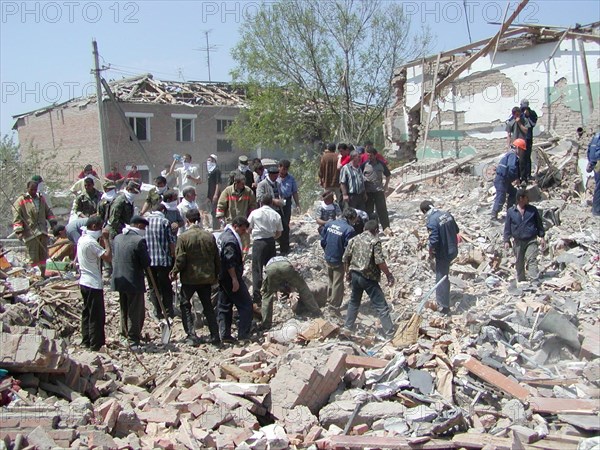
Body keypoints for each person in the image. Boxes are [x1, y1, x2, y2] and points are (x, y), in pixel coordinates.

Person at [170, 209, 221, 346]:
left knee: (185, 304)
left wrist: (174, 272)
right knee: (208, 306)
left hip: (189, 278)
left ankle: (191, 335)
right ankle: (215, 335)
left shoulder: (184, 237)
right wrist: (217, 274)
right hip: (206, 278)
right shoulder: (209, 236)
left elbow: (181, 259)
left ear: (187, 221)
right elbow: (217, 257)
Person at [342, 220, 395, 337]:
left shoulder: (354, 239)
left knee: (354, 302)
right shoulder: (374, 241)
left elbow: (345, 258)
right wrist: (388, 275)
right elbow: (380, 261)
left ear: (364, 229)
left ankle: (347, 327)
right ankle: (390, 333)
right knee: (381, 306)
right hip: (368, 278)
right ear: (376, 230)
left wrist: (347, 273)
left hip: (355, 275)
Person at [111, 215, 151, 350]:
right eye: (144, 227)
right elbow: (146, 262)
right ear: (139, 226)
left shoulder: (117, 238)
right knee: (136, 310)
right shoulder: (139, 240)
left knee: (124, 308)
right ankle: (133, 339)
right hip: (134, 281)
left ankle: (124, 333)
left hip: (119, 279)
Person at [77, 216, 112, 351]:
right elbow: (108, 256)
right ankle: (96, 344)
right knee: (96, 315)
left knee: (87, 313)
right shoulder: (90, 242)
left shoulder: (82, 239)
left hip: (84, 281)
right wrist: (107, 240)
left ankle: (86, 340)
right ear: (93, 227)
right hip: (93, 283)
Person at [216, 216, 253, 342]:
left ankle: (225, 334)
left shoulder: (223, 236)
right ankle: (243, 335)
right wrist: (234, 279)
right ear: (236, 226)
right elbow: (229, 261)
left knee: (225, 305)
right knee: (246, 304)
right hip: (230, 278)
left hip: (222, 276)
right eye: (242, 230)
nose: (243, 233)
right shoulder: (231, 240)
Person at [420, 200, 460, 314]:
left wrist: (431, 252)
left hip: (443, 252)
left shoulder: (431, 221)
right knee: (444, 274)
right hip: (453, 249)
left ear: (424, 211)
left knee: (441, 277)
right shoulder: (447, 214)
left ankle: (444, 307)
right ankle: (444, 299)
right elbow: (456, 230)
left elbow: (434, 241)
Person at [260, 256, 321, 329]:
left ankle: (266, 324)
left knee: (267, 296)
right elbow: (293, 280)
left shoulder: (269, 263)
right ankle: (316, 311)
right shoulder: (286, 260)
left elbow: (266, 287)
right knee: (303, 288)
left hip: (271, 269)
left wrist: (273, 291)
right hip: (286, 267)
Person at [12, 180, 57, 278]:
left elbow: (48, 212)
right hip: (31, 233)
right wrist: (19, 231)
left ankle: (42, 274)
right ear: (27, 189)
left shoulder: (41, 199)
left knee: (43, 255)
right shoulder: (21, 200)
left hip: (42, 232)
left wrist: (53, 223)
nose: (33, 191)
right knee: (33, 256)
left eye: (35, 189)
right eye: (31, 189)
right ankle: (34, 277)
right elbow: (17, 217)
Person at [503, 189, 546, 283]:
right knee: (519, 262)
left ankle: (534, 280)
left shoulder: (532, 210)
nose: (528, 199)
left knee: (532, 259)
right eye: (526, 197)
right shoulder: (511, 211)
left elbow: (539, 224)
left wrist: (542, 237)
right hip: (518, 241)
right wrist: (506, 240)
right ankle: (522, 281)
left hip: (531, 239)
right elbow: (507, 227)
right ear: (520, 198)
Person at [248, 193, 283, 304]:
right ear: (271, 203)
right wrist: (272, 237)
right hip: (270, 242)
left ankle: (257, 296)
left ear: (260, 202)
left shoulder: (254, 213)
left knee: (257, 269)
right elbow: (279, 232)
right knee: (271, 268)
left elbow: (248, 228)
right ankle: (272, 292)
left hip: (258, 242)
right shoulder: (275, 214)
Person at [320, 207, 357, 311]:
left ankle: (329, 300)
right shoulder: (349, 230)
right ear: (352, 218)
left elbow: (323, 241)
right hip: (338, 259)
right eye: (355, 219)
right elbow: (348, 250)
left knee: (331, 280)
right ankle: (334, 307)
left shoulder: (330, 224)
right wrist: (348, 265)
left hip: (328, 256)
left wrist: (327, 252)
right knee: (338, 283)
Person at [145, 203, 176, 322]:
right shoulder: (164, 222)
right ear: (163, 210)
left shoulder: (146, 220)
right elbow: (171, 242)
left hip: (149, 260)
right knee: (166, 286)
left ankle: (157, 311)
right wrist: (173, 257)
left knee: (153, 287)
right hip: (163, 260)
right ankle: (168, 311)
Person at [491, 139, 525, 222]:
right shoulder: (513, 155)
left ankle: (509, 212)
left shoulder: (510, 154)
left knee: (513, 192)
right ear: (517, 148)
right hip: (501, 180)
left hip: (504, 180)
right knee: (501, 197)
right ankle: (493, 217)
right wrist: (515, 178)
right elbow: (511, 168)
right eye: (521, 150)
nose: (522, 152)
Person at [362, 147, 391, 232]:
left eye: (371, 156)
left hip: (379, 191)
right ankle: (370, 229)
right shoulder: (364, 165)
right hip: (368, 192)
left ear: (375, 155)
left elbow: (388, 175)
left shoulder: (381, 164)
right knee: (369, 211)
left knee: (382, 210)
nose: (369, 157)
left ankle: (386, 228)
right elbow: (360, 176)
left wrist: (385, 186)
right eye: (368, 156)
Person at [277, 159, 300, 255]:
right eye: (283, 169)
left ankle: (285, 247)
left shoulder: (291, 179)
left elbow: (294, 192)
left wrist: (297, 204)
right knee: (277, 223)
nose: (284, 171)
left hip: (287, 202)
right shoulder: (274, 177)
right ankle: (278, 241)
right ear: (279, 167)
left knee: (285, 224)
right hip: (276, 202)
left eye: (286, 169)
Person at [520, 99, 538, 183]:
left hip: (528, 138)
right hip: (520, 139)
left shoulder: (532, 113)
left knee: (527, 157)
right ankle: (522, 177)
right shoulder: (519, 113)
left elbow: (532, 124)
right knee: (521, 158)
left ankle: (528, 175)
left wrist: (528, 116)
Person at [586, 131, 600, 217]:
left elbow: (589, 150)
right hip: (598, 162)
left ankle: (596, 209)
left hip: (595, 163)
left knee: (598, 187)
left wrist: (591, 162)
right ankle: (597, 210)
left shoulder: (595, 137)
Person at [206, 154, 222, 229]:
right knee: (212, 212)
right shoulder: (210, 171)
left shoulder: (216, 170)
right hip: (210, 194)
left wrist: (215, 194)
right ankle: (214, 226)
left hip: (215, 194)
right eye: (208, 160)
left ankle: (217, 227)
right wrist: (208, 196)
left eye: (210, 160)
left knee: (215, 211)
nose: (208, 162)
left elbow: (218, 183)